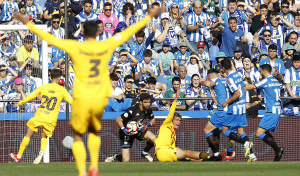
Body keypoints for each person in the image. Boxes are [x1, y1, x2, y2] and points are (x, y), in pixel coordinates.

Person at [14, 7, 161, 176]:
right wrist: (149, 16)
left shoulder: (75, 46)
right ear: (98, 33)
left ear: (82, 31)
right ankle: (94, 167)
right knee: (92, 132)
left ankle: (83, 170)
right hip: (97, 97)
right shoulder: (106, 44)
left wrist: (26, 22)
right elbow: (129, 32)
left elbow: (48, 37)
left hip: (81, 96)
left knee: (77, 136)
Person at [10, 69, 73, 164]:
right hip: (51, 118)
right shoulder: (62, 90)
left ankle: (19, 156)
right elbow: (72, 102)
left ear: (50, 77)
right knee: (44, 136)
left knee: (28, 135)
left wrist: (20, 102)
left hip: (40, 115)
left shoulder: (44, 87)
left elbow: (31, 96)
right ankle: (40, 155)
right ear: (59, 78)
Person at [155, 89, 210, 162]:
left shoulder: (173, 133)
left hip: (164, 154)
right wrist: (176, 98)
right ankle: (209, 156)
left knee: (187, 158)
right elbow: (171, 112)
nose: (178, 122)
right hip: (163, 151)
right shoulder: (167, 123)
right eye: (177, 120)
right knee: (186, 153)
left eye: (180, 120)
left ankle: (205, 160)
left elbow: (171, 146)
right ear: (172, 120)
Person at [245, 64, 284, 161]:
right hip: (277, 110)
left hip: (271, 111)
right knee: (264, 132)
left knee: (259, 133)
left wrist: (240, 84)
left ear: (264, 71)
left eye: (260, 70)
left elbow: (250, 87)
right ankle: (277, 150)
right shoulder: (275, 80)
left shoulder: (266, 80)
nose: (259, 72)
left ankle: (277, 149)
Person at [221, 58, 256, 162]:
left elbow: (237, 93)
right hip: (242, 107)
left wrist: (226, 102)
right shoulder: (237, 74)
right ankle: (252, 155)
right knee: (241, 131)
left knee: (225, 130)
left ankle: (244, 143)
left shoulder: (229, 79)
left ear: (223, 68)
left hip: (234, 108)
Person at [105, 93, 156, 162]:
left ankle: (145, 152)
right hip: (126, 133)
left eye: (149, 102)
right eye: (145, 102)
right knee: (126, 160)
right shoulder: (132, 110)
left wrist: (147, 125)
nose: (148, 104)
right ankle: (116, 156)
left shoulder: (148, 110)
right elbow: (118, 120)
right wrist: (125, 130)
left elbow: (153, 121)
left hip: (138, 130)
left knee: (154, 139)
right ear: (141, 102)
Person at [200, 68, 227, 161]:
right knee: (215, 132)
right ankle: (217, 153)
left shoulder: (215, 80)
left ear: (210, 76)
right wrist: (214, 98)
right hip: (229, 110)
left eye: (209, 78)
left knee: (207, 130)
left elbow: (207, 83)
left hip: (221, 111)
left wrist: (202, 82)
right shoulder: (226, 79)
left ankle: (217, 154)